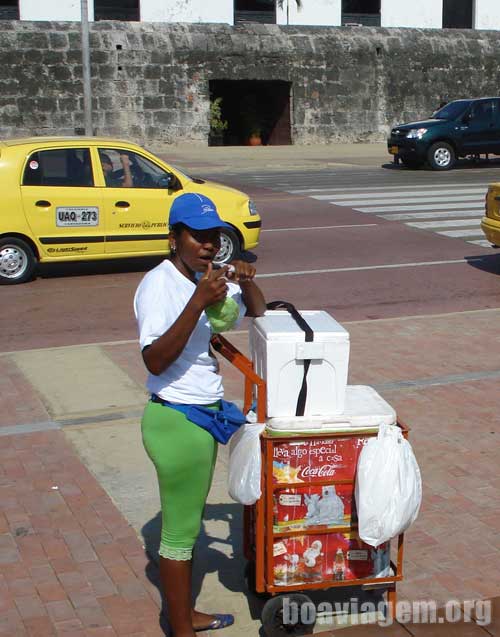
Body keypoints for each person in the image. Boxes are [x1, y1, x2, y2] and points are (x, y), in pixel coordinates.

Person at [134, 193, 266, 636]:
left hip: (202, 415)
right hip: (177, 420)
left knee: (186, 532)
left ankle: (184, 617)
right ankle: (181, 630)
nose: (208, 245)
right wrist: (196, 302)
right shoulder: (160, 285)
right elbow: (154, 361)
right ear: (174, 238)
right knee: (180, 535)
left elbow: (259, 311)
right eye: (197, 237)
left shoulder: (201, 276)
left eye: (213, 238)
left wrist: (245, 280)